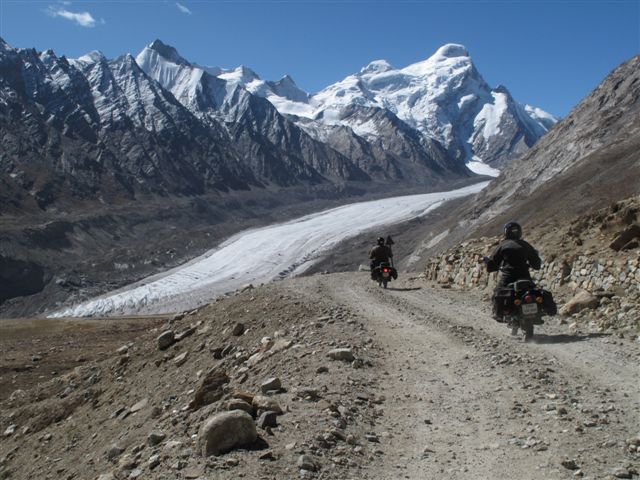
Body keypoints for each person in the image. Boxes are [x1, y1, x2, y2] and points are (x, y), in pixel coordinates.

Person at [483, 222, 541, 320]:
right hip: (525, 275)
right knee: (534, 291)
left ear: (506, 232)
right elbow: (536, 264)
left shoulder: (502, 246)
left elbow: (493, 264)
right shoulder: (526, 245)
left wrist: (490, 265)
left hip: (508, 276)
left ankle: (498, 314)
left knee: (498, 292)